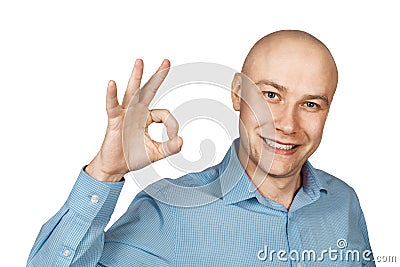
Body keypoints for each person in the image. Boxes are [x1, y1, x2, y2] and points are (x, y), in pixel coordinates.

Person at [27, 30, 374, 266]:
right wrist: (105, 173)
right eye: (271, 95)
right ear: (237, 93)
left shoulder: (344, 202)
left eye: (311, 104)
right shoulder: (172, 209)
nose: (287, 124)